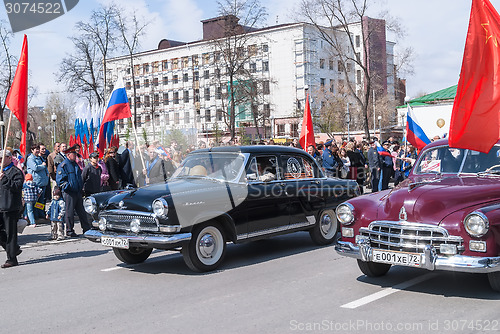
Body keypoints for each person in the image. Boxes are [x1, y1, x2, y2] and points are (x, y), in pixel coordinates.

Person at [56, 145, 90, 237]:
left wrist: (80, 188)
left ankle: (86, 229)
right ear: (68, 155)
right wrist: (69, 187)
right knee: (69, 212)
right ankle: (69, 230)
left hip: (77, 191)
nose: (75, 155)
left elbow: (79, 178)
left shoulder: (75, 165)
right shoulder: (63, 165)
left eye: (75, 153)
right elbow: (60, 181)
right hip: (69, 192)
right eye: (73, 154)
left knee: (82, 212)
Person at [0, 149, 24, 268]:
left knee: (11, 234)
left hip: (10, 206)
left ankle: (12, 258)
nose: (0, 161)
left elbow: (17, 186)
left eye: (2, 158)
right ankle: (13, 248)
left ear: (9, 158)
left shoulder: (15, 171)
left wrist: (4, 179)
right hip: (0, 206)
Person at [26, 143, 49, 219]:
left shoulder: (40, 158)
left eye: (38, 149)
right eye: (36, 149)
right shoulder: (30, 159)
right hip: (36, 182)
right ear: (32, 150)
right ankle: (35, 215)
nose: (37, 151)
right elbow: (35, 168)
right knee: (35, 201)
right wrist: (42, 166)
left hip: (43, 182)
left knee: (41, 201)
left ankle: (40, 213)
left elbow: (45, 166)